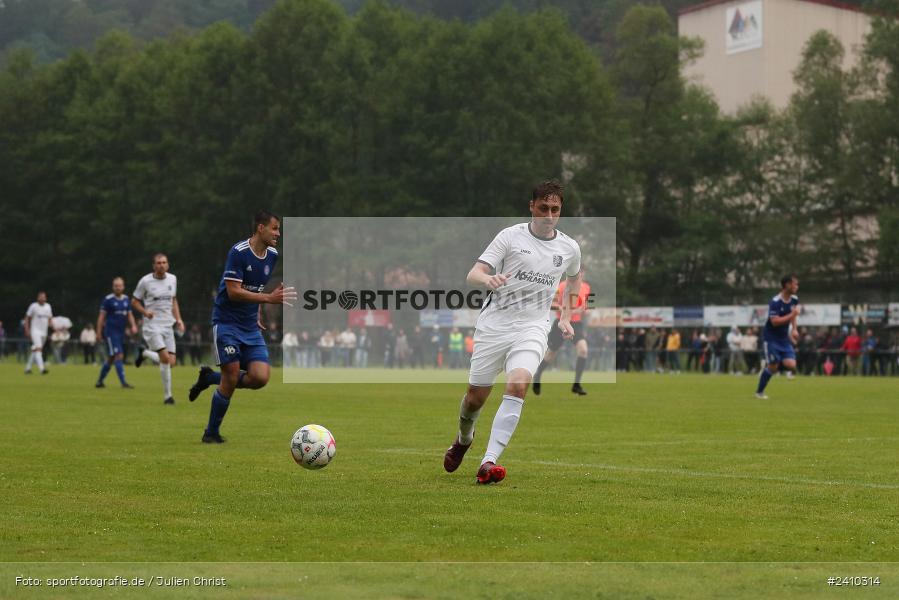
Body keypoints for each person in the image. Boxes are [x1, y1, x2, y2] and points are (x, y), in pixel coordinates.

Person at [443, 180, 582, 485]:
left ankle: (488, 461)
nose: (549, 214)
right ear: (532, 206)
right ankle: (463, 439)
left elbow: (573, 282)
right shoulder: (510, 236)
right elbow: (473, 274)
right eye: (543, 207)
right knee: (475, 399)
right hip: (494, 325)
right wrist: (487, 279)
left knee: (518, 384)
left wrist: (565, 317)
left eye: (555, 209)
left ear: (560, 211)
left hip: (533, 326)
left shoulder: (569, 247)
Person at [186, 210, 296, 443]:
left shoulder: (272, 255)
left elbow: (254, 287)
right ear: (260, 228)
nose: (278, 234)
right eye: (274, 228)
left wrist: (256, 311)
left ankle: (208, 378)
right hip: (226, 324)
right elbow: (235, 292)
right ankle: (211, 433)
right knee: (232, 375)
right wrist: (268, 299)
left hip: (249, 327)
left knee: (260, 378)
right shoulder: (238, 253)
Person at [132, 253, 185, 404]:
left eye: (164, 262)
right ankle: (168, 396)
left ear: (167, 265)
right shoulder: (145, 281)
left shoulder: (172, 279)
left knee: (172, 362)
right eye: (158, 263)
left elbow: (173, 301)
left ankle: (145, 353)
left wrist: (179, 320)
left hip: (168, 325)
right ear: (153, 266)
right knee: (165, 358)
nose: (161, 265)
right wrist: (145, 312)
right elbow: (134, 301)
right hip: (152, 326)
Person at [532, 278, 592, 395]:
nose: (579, 275)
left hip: (576, 324)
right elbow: (552, 304)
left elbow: (587, 306)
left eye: (581, 273)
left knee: (583, 350)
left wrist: (584, 309)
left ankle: (576, 385)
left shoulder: (586, 287)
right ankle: (538, 374)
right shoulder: (560, 286)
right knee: (550, 354)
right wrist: (564, 309)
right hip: (561, 322)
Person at [756, 275, 800, 399]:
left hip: (784, 339)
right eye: (795, 284)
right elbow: (775, 321)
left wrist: (794, 329)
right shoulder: (775, 302)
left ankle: (771, 364)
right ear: (787, 285)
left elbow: (794, 315)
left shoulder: (795, 299)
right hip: (771, 339)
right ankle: (759, 392)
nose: (797, 286)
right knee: (773, 367)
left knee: (791, 365)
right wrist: (792, 314)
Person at [95, 277, 138, 388]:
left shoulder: (126, 299)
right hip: (110, 333)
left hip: (120, 333)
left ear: (123, 287)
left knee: (111, 358)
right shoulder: (108, 300)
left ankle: (99, 382)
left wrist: (133, 325)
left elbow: (129, 314)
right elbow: (101, 317)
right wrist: (98, 332)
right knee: (119, 355)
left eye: (120, 285)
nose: (118, 288)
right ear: (113, 287)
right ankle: (123, 382)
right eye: (116, 286)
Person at [24, 291, 52, 375]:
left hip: (44, 332)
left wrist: (55, 329)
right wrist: (27, 329)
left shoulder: (48, 306)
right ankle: (42, 369)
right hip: (35, 331)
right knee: (39, 349)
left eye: (44, 297)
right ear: (38, 298)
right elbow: (27, 318)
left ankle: (27, 368)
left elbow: (50, 319)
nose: (43, 299)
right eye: (41, 297)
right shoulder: (33, 306)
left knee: (36, 350)